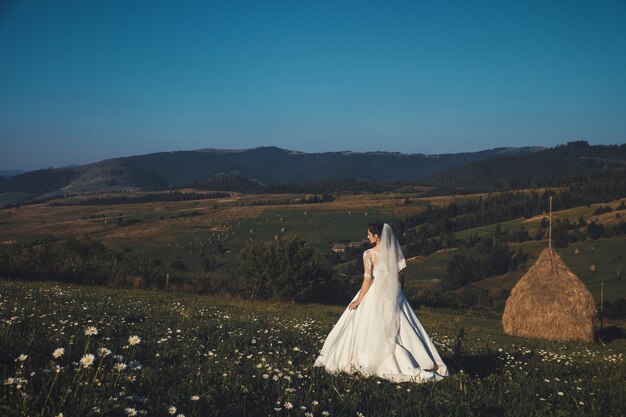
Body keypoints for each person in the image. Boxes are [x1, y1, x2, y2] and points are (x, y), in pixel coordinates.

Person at [314, 222, 449, 383]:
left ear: (376, 236)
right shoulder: (393, 253)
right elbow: (400, 277)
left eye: (369, 234)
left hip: (374, 294)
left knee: (367, 326)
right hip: (394, 295)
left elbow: (368, 279)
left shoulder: (369, 254)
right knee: (402, 328)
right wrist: (399, 293)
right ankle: (419, 360)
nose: (367, 237)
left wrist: (358, 300)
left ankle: (369, 359)